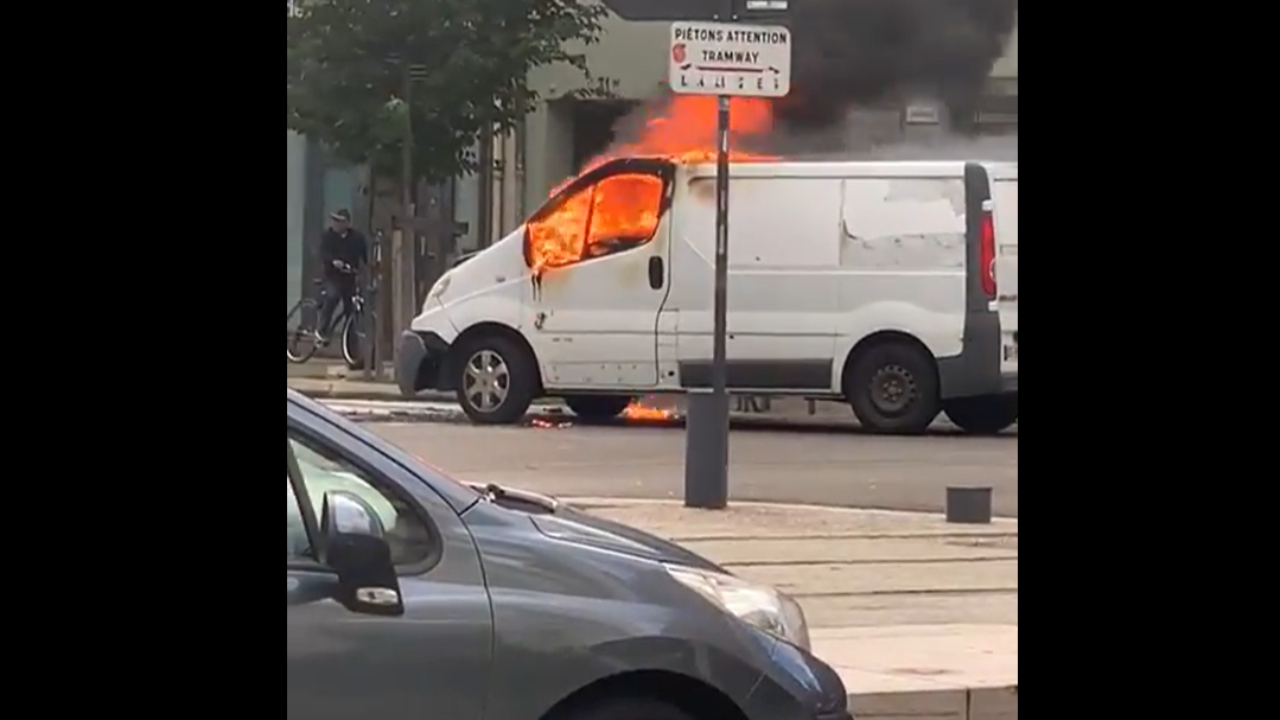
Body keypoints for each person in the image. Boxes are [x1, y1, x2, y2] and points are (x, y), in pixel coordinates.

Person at [315, 209, 368, 343]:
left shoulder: (357, 238)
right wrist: (333, 261)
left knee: (351, 309)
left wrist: (369, 266)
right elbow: (323, 252)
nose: (336, 224)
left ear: (347, 224)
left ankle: (351, 346)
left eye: (340, 221)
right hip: (332, 276)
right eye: (335, 221)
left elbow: (365, 255)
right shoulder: (328, 236)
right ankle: (321, 330)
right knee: (333, 295)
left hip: (349, 278)